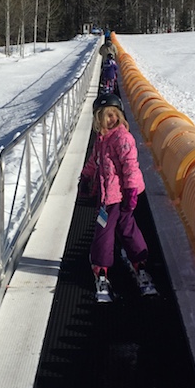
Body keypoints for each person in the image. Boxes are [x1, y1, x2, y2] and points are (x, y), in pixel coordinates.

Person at [78, 93, 153, 301]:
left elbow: (130, 167)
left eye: (113, 115)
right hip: (107, 197)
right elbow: (95, 161)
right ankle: (108, 266)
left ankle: (131, 262)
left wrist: (131, 192)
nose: (110, 119)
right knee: (118, 228)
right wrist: (86, 177)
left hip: (120, 196)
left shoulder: (122, 138)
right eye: (105, 116)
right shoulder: (102, 139)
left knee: (111, 231)